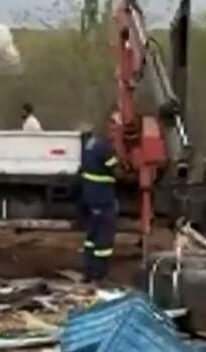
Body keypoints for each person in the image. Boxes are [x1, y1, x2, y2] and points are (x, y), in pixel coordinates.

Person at [78, 109, 122, 283]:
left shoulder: (92, 142)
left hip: (89, 196)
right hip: (102, 198)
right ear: (108, 126)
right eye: (115, 126)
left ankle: (88, 272)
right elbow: (117, 172)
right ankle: (99, 274)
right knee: (103, 238)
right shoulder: (105, 147)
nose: (116, 131)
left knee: (91, 236)